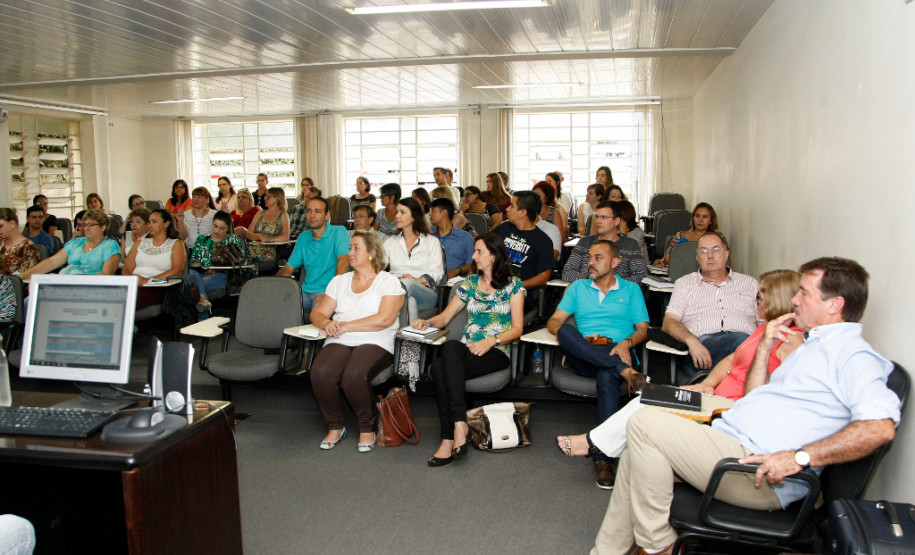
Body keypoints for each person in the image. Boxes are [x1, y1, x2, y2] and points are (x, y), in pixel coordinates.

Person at [591, 257, 901, 555]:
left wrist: (800, 458)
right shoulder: (814, 345)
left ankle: (659, 545)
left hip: (756, 475)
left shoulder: (853, 356)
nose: (795, 300)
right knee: (633, 456)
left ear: (835, 304)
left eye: (805, 292)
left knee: (646, 424)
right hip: (730, 445)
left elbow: (880, 427)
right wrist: (764, 347)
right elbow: (753, 395)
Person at [557, 269, 803, 462]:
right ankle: (604, 435)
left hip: (727, 410)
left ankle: (593, 443)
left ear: (776, 300)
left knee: (647, 401)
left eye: (760, 298)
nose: (754, 302)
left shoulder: (790, 341)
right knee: (646, 398)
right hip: (714, 396)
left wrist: (727, 399)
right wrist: (708, 383)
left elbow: (767, 397)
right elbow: (730, 359)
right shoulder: (765, 330)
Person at [411, 233, 525, 467]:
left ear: (494, 256)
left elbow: (517, 329)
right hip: (465, 349)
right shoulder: (470, 283)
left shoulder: (513, 286)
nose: (473, 256)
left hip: (495, 351)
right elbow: (444, 317)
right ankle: (459, 425)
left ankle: (448, 438)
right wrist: (426, 323)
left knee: (439, 369)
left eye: (479, 251)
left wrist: (491, 341)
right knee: (451, 346)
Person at [546, 239, 649, 489]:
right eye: (590, 257)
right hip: (585, 353)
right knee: (567, 332)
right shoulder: (578, 287)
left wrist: (625, 343)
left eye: (598, 258)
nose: (590, 262)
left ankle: (604, 460)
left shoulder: (631, 290)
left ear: (615, 262)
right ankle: (629, 374)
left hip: (618, 349)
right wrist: (572, 340)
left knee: (606, 374)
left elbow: (643, 330)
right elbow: (554, 322)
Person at [309, 230, 405, 453]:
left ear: (371, 253)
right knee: (320, 372)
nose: (349, 252)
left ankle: (366, 428)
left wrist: (344, 325)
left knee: (354, 375)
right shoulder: (339, 281)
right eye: (350, 248)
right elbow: (318, 313)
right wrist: (326, 323)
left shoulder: (388, 281)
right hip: (340, 338)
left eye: (356, 248)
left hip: (377, 340)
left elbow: (385, 319)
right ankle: (335, 426)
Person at [663, 232, 759, 377]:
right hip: (704, 349)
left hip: (748, 346)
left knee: (746, 345)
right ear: (698, 258)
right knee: (740, 343)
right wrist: (692, 341)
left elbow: (763, 323)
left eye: (715, 250)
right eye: (704, 251)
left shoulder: (750, 283)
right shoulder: (685, 284)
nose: (710, 256)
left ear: (726, 254)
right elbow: (669, 322)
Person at [277, 197, 349, 317]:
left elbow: (343, 262)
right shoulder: (303, 237)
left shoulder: (339, 232)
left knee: (316, 316)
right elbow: (289, 268)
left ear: (327, 215)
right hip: (304, 291)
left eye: (317, 211)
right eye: (309, 211)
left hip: (328, 291)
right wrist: (274, 285)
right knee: (274, 305)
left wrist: (331, 293)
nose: (312, 215)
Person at [384, 197, 444, 321]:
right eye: (397, 212)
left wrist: (417, 279)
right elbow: (379, 267)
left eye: (402, 212)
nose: (397, 216)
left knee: (408, 284)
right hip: (396, 290)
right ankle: (409, 337)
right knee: (410, 301)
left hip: (426, 293)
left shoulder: (431, 242)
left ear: (414, 216)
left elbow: (437, 274)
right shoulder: (390, 242)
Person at [563, 201, 646, 285]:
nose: (598, 221)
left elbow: (640, 275)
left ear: (617, 221)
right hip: (586, 291)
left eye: (604, 217)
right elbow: (567, 272)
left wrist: (613, 283)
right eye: (597, 217)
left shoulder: (630, 245)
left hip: (617, 293)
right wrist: (594, 280)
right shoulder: (584, 243)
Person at [21, 210, 120, 277]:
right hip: (63, 283)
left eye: (91, 225)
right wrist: (22, 276)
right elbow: (51, 262)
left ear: (103, 227)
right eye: (85, 225)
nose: (86, 228)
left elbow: (105, 275)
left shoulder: (110, 246)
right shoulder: (76, 243)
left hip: (86, 289)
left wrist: (75, 280)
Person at [492, 191, 554, 293]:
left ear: (523, 213)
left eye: (512, 206)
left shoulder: (543, 241)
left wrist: (515, 286)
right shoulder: (503, 228)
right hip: (493, 283)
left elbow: (544, 277)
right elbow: (485, 248)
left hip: (518, 292)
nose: (507, 209)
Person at [123, 209, 186, 308]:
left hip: (157, 287)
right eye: (149, 222)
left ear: (166, 224)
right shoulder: (140, 242)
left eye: (154, 222)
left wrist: (148, 280)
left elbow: (177, 270)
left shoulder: (176, 244)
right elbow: (126, 269)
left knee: (126, 303)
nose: (150, 225)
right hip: (135, 285)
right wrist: (132, 280)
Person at [190, 210, 248, 313]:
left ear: (228, 228)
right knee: (192, 273)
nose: (217, 231)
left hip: (222, 276)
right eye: (215, 226)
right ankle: (203, 305)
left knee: (191, 287)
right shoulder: (201, 239)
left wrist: (216, 269)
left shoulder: (232, 240)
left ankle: (202, 308)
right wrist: (195, 264)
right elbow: (192, 260)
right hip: (199, 274)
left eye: (222, 228)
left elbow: (241, 262)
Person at [653, 202, 718, 268]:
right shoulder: (680, 236)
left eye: (705, 217)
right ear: (693, 218)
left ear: (711, 221)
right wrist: (660, 262)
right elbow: (666, 260)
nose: (700, 220)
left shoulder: (717, 238)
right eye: (697, 216)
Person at [239, 187, 290, 266]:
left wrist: (269, 240)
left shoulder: (283, 215)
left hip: (269, 249)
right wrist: (259, 236)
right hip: (254, 246)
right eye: (265, 196)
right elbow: (249, 233)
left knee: (241, 258)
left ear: (277, 198)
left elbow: (285, 236)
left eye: (268, 197)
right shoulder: (260, 213)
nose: (265, 199)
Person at [430, 198, 474, 279]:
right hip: (431, 282)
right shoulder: (428, 236)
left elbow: (471, 264)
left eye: (433, 211)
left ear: (444, 212)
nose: (430, 214)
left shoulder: (465, 237)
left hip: (455, 282)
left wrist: (456, 271)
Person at [0, 208, 40, 275]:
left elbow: (23, 276)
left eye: (1, 226)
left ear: (12, 223)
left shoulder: (28, 247)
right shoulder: (1, 244)